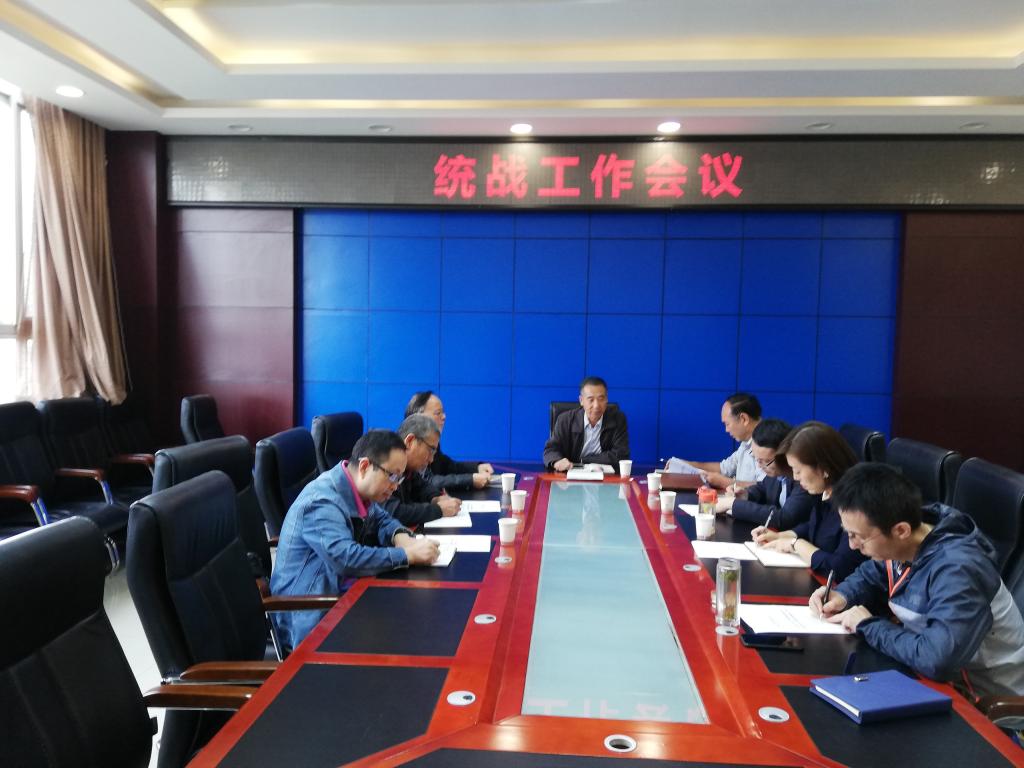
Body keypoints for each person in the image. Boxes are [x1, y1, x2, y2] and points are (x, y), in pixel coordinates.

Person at [811, 463, 1024, 698]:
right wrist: (842, 595)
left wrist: (868, 625)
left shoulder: (958, 568)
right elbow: (871, 574)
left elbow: (937, 659)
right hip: (931, 680)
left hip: (983, 701)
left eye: (858, 537)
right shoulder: (905, 538)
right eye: (848, 534)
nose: (852, 545)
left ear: (901, 531)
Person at [270, 429, 441, 650]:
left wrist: (400, 536)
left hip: (342, 594)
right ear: (364, 466)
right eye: (392, 476)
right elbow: (346, 559)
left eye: (399, 477)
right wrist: (406, 555)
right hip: (309, 615)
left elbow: (381, 518)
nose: (396, 485)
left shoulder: (356, 489)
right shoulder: (321, 501)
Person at [751, 421, 866, 580]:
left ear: (824, 468)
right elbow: (814, 526)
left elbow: (839, 568)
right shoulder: (824, 490)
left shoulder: (855, 504)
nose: (795, 477)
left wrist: (795, 544)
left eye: (798, 470)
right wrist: (781, 536)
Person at [716, 418, 814, 530]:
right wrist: (745, 495)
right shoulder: (775, 473)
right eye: (757, 459)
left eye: (766, 461)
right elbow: (762, 488)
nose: (759, 466)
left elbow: (785, 518)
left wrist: (733, 504)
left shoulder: (804, 479)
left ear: (785, 455)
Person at [405, 391, 493, 490]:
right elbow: (426, 481)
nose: (444, 417)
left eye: (443, 412)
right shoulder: (413, 444)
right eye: (438, 413)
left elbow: (447, 466)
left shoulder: (431, 441)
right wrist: (470, 480)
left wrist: (476, 468)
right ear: (419, 416)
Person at [386, 414, 461, 526]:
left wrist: (436, 498)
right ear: (410, 441)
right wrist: (438, 510)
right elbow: (393, 512)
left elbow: (422, 486)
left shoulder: (408, 468)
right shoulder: (384, 463)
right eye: (430, 450)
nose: (431, 460)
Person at [543, 376, 630, 473]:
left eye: (601, 399)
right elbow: (550, 450)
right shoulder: (565, 420)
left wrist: (583, 460)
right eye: (591, 400)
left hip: (605, 475)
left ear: (606, 399)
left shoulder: (618, 419)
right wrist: (556, 461)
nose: (596, 405)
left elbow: (621, 454)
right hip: (570, 474)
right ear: (581, 400)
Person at [685, 392, 765, 490]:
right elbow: (724, 468)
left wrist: (724, 482)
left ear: (744, 419)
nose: (726, 430)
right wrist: (685, 465)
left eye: (727, 424)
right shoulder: (747, 442)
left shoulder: (767, 444)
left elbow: (765, 488)